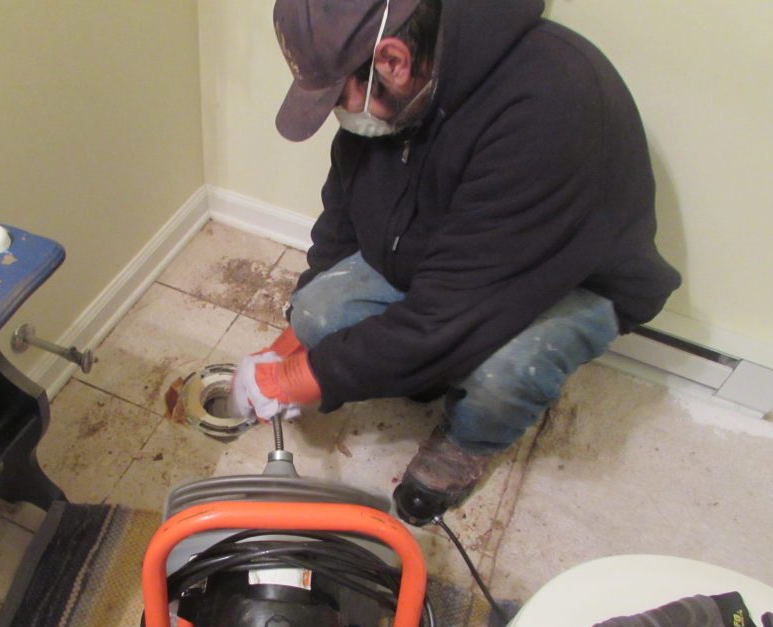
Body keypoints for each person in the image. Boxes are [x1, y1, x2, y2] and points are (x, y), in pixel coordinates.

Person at [231, 0, 681, 526]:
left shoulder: (550, 104)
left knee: (505, 372)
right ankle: (413, 367)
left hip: (568, 280)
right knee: (318, 311)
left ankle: (468, 443)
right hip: (455, 260)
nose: (339, 114)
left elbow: (447, 318)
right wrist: (290, 343)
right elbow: (340, 225)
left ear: (392, 61)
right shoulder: (406, 90)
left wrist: (296, 379)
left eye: (338, 97)